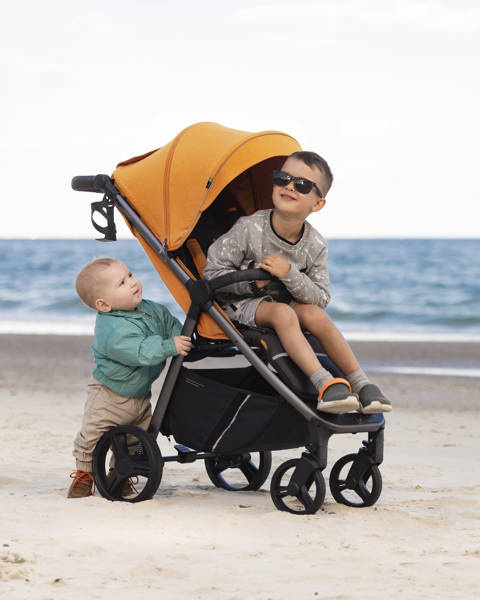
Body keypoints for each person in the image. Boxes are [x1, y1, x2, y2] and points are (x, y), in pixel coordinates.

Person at [204, 151, 391, 415]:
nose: (290, 186)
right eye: (283, 178)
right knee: (283, 313)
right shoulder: (249, 229)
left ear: (318, 204)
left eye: (302, 184)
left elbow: (321, 298)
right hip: (242, 304)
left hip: (287, 305)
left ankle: (361, 383)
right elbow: (212, 274)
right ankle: (323, 382)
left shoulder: (315, 244)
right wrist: (252, 284)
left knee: (314, 314)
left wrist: (289, 273)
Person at [67, 258, 191, 498]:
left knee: (135, 439)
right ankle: (84, 474)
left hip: (140, 394)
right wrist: (169, 346)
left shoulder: (152, 309)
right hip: (108, 395)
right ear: (103, 304)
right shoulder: (111, 328)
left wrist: (182, 338)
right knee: (92, 436)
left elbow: (170, 325)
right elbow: (140, 351)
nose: (133, 283)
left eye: (130, 275)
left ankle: (119, 474)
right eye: (122, 283)